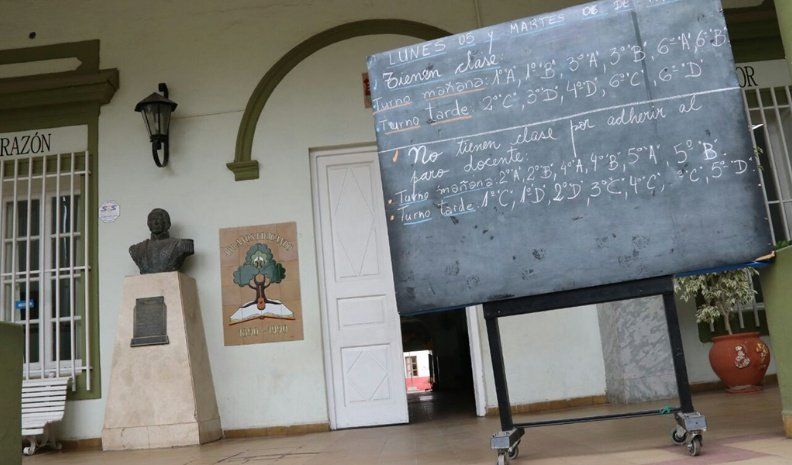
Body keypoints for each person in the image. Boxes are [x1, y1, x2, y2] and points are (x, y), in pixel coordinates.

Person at [129, 208, 194, 274]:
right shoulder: (136, 249)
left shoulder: (181, 244)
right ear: (148, 224)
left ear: (166, 222)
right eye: (151, 220)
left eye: (158, 219)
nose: (155, 223)